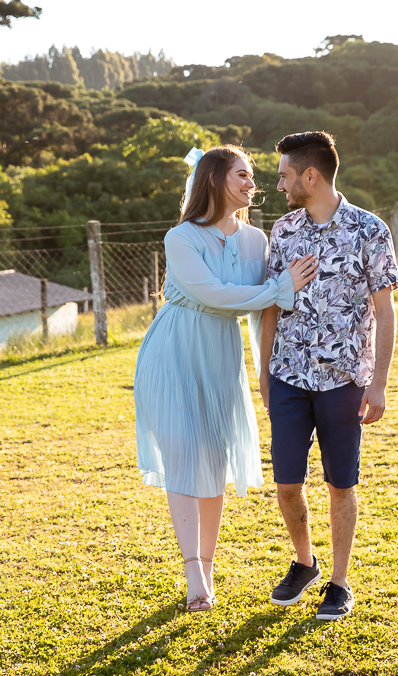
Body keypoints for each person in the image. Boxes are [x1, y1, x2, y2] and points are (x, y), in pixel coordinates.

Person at [134, 144, 319, 613]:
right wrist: (281, 287)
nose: (252, 184)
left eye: (254, 176)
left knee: (213, 460)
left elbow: (262, 312)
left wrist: (266, 373)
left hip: (220, 355)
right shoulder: (181, 238)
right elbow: (214, 295)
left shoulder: (257, 241)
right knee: (182, 455)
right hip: (174, 349)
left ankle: (208, 567)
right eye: (243, 174)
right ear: (214, 179)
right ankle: (194, 573)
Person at [259, 130, 398, 621]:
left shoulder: (370, 230)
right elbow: (270, 309)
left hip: (345, 381)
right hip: (288, 378)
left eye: (284, 176)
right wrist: (263, 373)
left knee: (341, 484)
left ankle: (339, 582)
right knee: (285, 484)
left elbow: (386, 310)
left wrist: (378, 382)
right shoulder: (284, 231)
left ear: (310, 176)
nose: (279, 185)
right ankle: (305, 562)